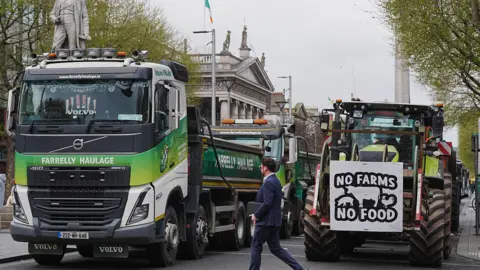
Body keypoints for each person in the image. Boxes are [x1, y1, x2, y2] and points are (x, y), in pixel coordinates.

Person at [249, 158, 307, 270]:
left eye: (261, 166)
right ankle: (299, 269)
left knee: (256, 246)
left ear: (265, 168)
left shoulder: (268, 182)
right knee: (276, 248)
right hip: (274, 221)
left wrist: (256, 215)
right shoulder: (276, 181)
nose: (260, 167)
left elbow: (267, 203)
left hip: (266, 222)